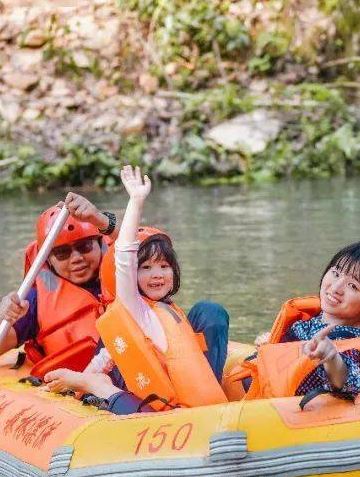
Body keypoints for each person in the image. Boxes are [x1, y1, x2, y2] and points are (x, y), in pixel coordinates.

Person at [41, 166, 229, 415]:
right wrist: (136, 201)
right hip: (145, 403)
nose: (157, 274)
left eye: (164, 266)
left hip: (187, 403)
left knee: (211, 311)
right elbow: (126, 254)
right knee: (136, 407)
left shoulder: (170, 312)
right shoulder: (135, 307)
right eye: (147, 268)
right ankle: (95, 385)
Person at [240, 241, 360, 402]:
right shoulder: (305, 325)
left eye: (353, 286)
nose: (335, 288)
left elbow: (349, 380)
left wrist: (331, 357)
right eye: (335, 273)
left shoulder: (353, 345)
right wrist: (272, 348)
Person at [0, 192, 117, 370]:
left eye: (84, 246)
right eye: (62, 253)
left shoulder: (128, 272)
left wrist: (101, 220)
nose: (76, 258)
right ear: (49, 260)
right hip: (73, 390)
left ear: (100, 244)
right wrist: (5, 318)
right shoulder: (34, 301)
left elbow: (149, 244)